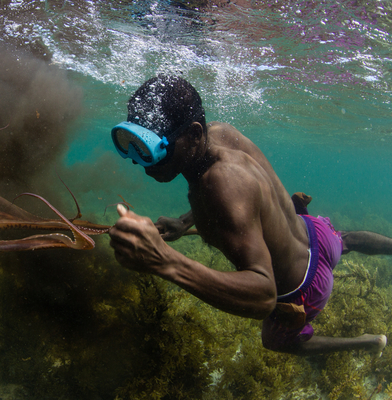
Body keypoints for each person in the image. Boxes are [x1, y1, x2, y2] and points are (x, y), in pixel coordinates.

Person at [108, 74, 390, 355]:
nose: (139, 160)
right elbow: (243, 196)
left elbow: (264, 295)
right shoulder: (218, 133)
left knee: (276, 341)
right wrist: (184, 222)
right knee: (347, 240)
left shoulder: (220, 184)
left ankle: (367, 342)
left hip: (302, 288)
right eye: (130, 142)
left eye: (151, 148)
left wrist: (164, 260)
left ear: (194, 135)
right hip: (316, 234)